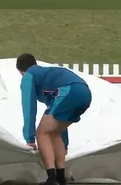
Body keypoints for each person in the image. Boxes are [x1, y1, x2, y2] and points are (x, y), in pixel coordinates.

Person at [17, 53, 92, 185]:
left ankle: (52, 179)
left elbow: (28, 106)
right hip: (84, 92)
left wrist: (29, 138)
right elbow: (59, 121)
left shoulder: (29, 75)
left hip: (69, 90)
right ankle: (61, 178)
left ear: (21, 71)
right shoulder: (46, 74)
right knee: (54, 132)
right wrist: (65, 144)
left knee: (42, 133)